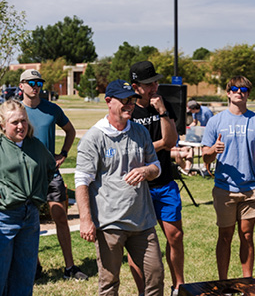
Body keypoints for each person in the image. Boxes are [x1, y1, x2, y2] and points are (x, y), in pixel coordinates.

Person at [75, 79, 164, 295]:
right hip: (109, 224)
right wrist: (86, 220)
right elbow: (82, 181)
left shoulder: (140, 132)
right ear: (108, 102)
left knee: (156, 275)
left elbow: (156, 166)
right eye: (124, 100)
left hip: (142, 221)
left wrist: (146, 171)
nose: (129, 105)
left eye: (132, 100)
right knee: (109, 282)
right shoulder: (94, 137)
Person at [19, 69, 87, 280]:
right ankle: (35, 266)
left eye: (38, 83)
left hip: (51, 173)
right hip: (25, 175)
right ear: (21, 85)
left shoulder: (52, 109)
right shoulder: (14, 111)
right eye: (31, 82)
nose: (35, 86)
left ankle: (70, 268)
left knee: (60, 217)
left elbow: (71, 131)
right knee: (29, 222)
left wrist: (64, 153)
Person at [201, 75, 255, 280]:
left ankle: (247, 281)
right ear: (228, 92)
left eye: (243, 89)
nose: (238, 92)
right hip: (225, 189)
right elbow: (206, 155)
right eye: (234, 88)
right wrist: (214, 149)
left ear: (248, 94)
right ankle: (223, 283)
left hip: (251, 188)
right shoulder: (216, 121)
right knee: (225, 237)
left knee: (247, 236)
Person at [129, 61, 185, 296]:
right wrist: (160, 144)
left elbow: (172, 141)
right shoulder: (128, 110)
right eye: (148, 83)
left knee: (175, 235)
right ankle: (144, 291)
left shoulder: (164, 105)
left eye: (155, 82)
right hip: (139, 187)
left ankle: (178, 286)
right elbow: (133, 151)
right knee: (137, 244)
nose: (154, 86)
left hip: (164, 183)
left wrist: (162, 111)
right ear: (135, 86)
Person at [0, 100, 55, 295]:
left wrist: (37, 193)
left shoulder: (35, 145)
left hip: (30, 218)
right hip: (4, 217)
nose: (21, 126)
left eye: (23, 120)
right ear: (2, 124)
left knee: (25, 273)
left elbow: (50, 169)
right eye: (14, 122)